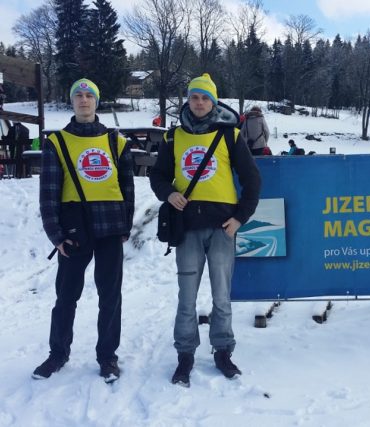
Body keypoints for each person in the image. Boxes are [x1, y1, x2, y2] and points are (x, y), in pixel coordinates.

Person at [149, 73, 261, 387]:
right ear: (188, 100)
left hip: (223, 229)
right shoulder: (173, 137)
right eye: (194, 97)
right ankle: (185, 354)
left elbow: (253, 180)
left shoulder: (230, 135)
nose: (199, 103)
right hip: (187, 230)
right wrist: (168, 193)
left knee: (222, 297)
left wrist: (241, 218)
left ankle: (223, 351)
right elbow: (157, 176)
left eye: (205, 98)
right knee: (187, 298)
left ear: (213, 101)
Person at [34, 78, 135, 383]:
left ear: (97, 101)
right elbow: (48, 193)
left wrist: (125, 226)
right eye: (78, 95)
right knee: (66, 296)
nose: (83, 99)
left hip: (110, 225)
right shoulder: (56, 142)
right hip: (74, 226)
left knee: (110, 296)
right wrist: (56, 234)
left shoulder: (117, 143)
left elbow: (128, 189)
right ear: (72, 101)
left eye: (89, 95)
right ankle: (58, 353)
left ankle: (107, 357)